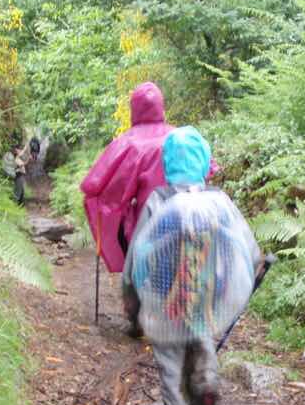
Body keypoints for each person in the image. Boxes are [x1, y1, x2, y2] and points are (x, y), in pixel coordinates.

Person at [123, 127, 262, 405]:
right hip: (206, 290)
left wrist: (133, 294)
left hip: (164, 296)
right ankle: (207, 378)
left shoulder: (158, 200)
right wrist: (255, 268)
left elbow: (139, 252)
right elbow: (245, 245)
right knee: (200, 331)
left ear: (167, 163)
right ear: (204, 162)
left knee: (169, 355)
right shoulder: (218, 200)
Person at [81, 82, 219, 274]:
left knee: (147, 288)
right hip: (193, 225)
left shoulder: (128, 144)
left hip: (150, 231)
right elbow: (209, 170)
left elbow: (101, 191)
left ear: (133, 109)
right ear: (161, 106)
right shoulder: (182, 138)